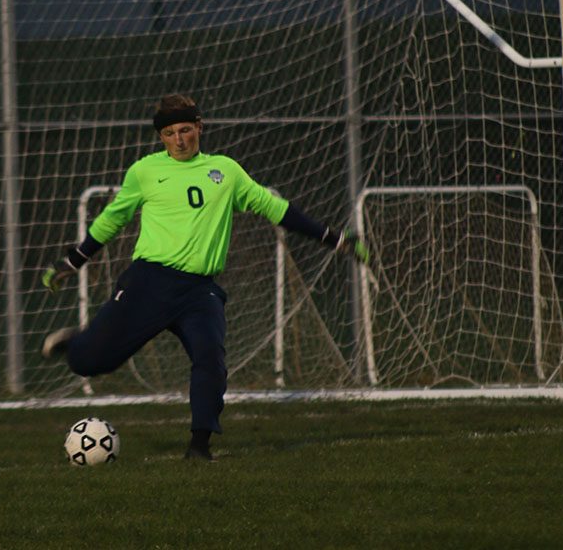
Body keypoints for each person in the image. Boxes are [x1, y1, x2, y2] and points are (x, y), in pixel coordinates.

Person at [41, 93, 369, 461]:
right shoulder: (144, 172)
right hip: (149, 282)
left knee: (210, 357)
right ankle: (75, 343)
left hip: (199, 291)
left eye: (185, 130)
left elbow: (277, 209)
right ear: (161, 137)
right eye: (169, 133)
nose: (179, 140)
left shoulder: (226, 172)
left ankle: (199, 446)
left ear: (199, 127)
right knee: (91, 363)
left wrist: (335, 238)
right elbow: (111, 220)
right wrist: (72, 263)